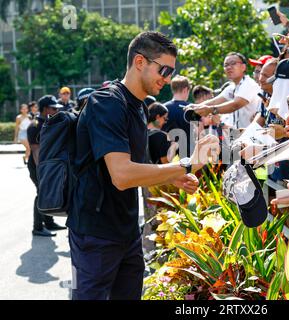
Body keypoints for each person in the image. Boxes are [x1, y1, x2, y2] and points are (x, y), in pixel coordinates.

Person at [66, 31, 219, 300]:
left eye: (172, 72)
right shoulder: (108, 102)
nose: (168, 78)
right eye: (164, 69)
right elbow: (123, 175)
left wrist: (171, 177)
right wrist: (186, 166)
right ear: (140, 61)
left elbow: (138, 164)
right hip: (95, 233)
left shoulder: (136, 106)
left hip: (125, 230)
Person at [27, 95, 67, 237]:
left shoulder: (49, 122)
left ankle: (49, 222)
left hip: (48, 165)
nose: (56, 110)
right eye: (53, 108)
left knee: (49, 191)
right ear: (45, 109)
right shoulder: (35, 126)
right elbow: (36, 150)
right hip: (38, 166)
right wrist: (42, 172)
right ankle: (37, 227)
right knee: (41, 193)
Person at [190, 52, 261, 130]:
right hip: (239, 136)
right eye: (226, 65)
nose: (229, 67)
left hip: (252, 137)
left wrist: (210, 109)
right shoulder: (232, 87)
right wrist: (193, 108)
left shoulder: (249, 84)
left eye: (233, 63)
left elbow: (235, 105)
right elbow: (214, 101)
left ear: (243, 67)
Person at [162, 75, 192, 157]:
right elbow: (198, 131)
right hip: (187, 153)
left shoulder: (163, 108)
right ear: (186, 89)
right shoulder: (191, 108)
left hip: (167, 153)